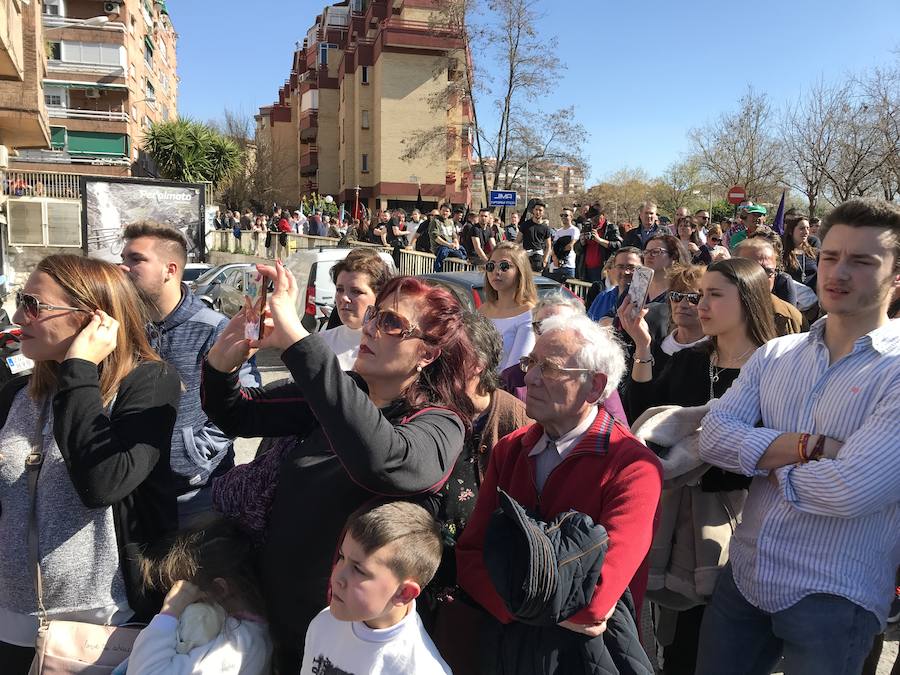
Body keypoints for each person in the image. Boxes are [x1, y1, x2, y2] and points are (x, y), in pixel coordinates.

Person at [204, 269, 473, 671]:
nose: (370, 328)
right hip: (281, 615)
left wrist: (301, 343)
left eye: (391, 323)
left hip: (355, 642)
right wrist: (221, 366)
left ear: (427, 354)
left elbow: (382, 463)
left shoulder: (439, 424)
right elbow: (240, 413)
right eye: (374, 316)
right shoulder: (341, 391)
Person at [695, 198, 900, 675]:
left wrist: (762, 462)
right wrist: (814, 448)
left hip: (833, 594)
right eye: (830, 257)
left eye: (862, 261)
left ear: (896, 276)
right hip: (745, 577)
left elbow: (849, 490)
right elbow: (713, 438)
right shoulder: (777, 354)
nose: (838, 272)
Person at [0, 255, 181, 672]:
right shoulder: (15, 394)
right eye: (19, 301)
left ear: (90, 318)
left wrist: (78, 368)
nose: (17, 315)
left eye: (34, 304)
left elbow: (101, 483)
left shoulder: (149, 385)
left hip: (100, 626)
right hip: (11, 620)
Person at [456, 313, 663, 667]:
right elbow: (470, 557)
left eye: (549, 368)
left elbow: (596, 602)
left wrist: (511, 586)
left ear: (594, 387)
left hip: (586, 660)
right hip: (508, 651)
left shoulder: (633, 468)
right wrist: (529, 609)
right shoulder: (511, 449)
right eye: (530, 362)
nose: (530, 377)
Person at [619, 259, 777, 674]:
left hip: (740, 521)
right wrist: (641, 346)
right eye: (698, 295)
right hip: (677, 522)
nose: (700, 305)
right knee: (679, 644)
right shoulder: (693, 359)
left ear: (747, 300)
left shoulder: (775, 368)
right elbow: (646, 418)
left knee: (726, 644)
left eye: (713, 295)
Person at [121, 222, 258, 528]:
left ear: (169, 269)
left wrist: (193, 455)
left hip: (198, 498)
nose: (124, 267)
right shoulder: (124, 329)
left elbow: (244, 401)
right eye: (124, 257)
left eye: (136, 259)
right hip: (134, 495)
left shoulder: (215, 329)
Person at [426, 311, 530, 674]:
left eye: (448, 354)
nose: (434, 362)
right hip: (426, 579)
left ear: (478, 363)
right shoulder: (426, 410)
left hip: (485, 592)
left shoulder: (516, 420)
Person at [301, 502, 451, 675]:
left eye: (358, 569)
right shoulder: (324, 623)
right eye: (342, 557)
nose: (338, 577)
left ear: (404, 593)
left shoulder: (420, 669)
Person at [126, 522, 272, 674]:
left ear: (219, 589)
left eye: (188, 597)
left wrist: (171, 611)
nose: (185, 607)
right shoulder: (247, 633)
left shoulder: (235, 648)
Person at [501, 292, 631, 427]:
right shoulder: (511, 378)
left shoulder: (594, 379)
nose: (549, 333)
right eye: (541, 325)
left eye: (560, 327)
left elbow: (619, 428)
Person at [319, 248, 393, 370]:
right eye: (339, 289)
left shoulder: (392, 346)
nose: (344, 298)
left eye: (356, 291)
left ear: (379, 295)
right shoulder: (321, 342)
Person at [478, 242, 538, 373]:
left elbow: (514, 370)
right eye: (491, 266)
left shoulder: (530, 314)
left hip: (504, 390)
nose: (496, 272)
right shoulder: (482, 310)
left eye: (504, 266)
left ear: (520, 271)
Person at [734, 238, 806, 336]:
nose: (761, 278)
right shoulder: (714, 310)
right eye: (752, 271)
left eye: (768, 272)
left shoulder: (792, 318)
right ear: (733, 270)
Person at [587, 246, 642, 321]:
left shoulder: (647, 303)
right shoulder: (602, 297)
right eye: (620, 266)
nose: (625, 272)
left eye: (631, 267)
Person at [576, 208, 622, 282]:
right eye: (591, 217)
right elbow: (577, 250)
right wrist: (581, 243)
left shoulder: (610, 227)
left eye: (595, 216)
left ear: (602, 215)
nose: (593, 219)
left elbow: (618, 245)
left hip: (603, 269)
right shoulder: (587, 228)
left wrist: (600, 240)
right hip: (586, 270)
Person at [644, 234, 691, 304]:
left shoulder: (683, 293)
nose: (648, 256)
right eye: (646, 252)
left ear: (674, 256)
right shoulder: (636, 288)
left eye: (656, 252)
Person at [428, 203, 467, 271]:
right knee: (444, 251)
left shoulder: (450, 222)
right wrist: (448, 244)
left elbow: (454, 235)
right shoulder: (435, 221)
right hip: (439, 248)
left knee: (461, 252)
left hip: (450, 247)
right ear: (440, 211)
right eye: (443, 210)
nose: (445, 213)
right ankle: (438, 270)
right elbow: (435, 237)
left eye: (447, 211)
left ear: (450, 213)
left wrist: (456, 243)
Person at [516, 201, 552, 272]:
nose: (538, 212)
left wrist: (545, 260)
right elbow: (517, 241)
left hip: (538, 257)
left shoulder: (546, 228)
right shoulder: (525, 225)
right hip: (526, 256)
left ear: (543, 212)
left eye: (540, 210)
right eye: (536, 209)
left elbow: (548, 246)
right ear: (533, 210)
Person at [782, 216, 818, 285]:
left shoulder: (815, 253)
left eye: (808, 228)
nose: (806, 232)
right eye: (802, 228)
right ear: (791, 231)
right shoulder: (782, 253)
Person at [549, 207, 580, 279]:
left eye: (566, 215)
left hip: (568, 266)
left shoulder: (574, 230)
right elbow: (554, 247)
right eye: (561, 215)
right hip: (557, 266)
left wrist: (559, 250)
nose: (563, 217)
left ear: (571, 217)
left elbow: (570, 245)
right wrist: (555, 258)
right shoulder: (558, 231)